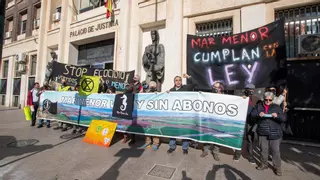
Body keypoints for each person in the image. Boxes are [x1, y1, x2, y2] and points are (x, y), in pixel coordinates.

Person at [251, 92, 286, 176]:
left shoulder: (277, 107)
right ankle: (264, 164)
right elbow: (252, 115)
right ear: (264, 99)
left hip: (275, 132)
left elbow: (283, 118)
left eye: (270, 100)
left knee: (275, 151)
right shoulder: (259, 106)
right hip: (262, 131)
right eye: (266, 99)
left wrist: (277, 115)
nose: (268, 101)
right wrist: (258, 115)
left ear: (272, 99)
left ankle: (277, 168)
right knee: (263, 150)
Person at [167, 73, 197, 155]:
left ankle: (185, 148)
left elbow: (195, 84)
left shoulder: (186, 88)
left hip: (184, 114)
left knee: (185, 130)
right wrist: (166, 94)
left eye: (179, 80)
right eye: (176, 80)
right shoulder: (171, 90)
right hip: (174, 115)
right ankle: (172, 147)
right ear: (174, 82)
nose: (178, 82)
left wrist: (188, 77)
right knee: (173, 131)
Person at [233, 84, 260, 163]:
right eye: (249, 89)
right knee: (240, 139)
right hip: (241, 122)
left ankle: (250, 156)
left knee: (250, 140)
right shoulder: (240, 98)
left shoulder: (256, 99)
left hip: (251, 123)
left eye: (252, 90)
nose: (250, 91)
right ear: (245, 90)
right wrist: (241, 100)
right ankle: (237, 155)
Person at [200, 82, 224, 161]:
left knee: (217, 136)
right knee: (207, 134)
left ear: (221, 88)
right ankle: (205, 151)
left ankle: (215, 152)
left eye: (217, 87)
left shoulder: (226, 97)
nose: (216, 89)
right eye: (214, 87)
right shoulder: (209, 95)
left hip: (219, 120)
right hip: (209, 119)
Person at [139, 81, 160, 151]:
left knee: (154, 129)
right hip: (147, 114)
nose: (152, 87)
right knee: (147, 129)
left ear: (156, 86)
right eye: (151, 86)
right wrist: (141, 92)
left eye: (153, 86)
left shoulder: (159, 93)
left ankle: (155, 143)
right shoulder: (146, 92)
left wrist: (157, 94)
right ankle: (148, 142)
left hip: (155, 114)